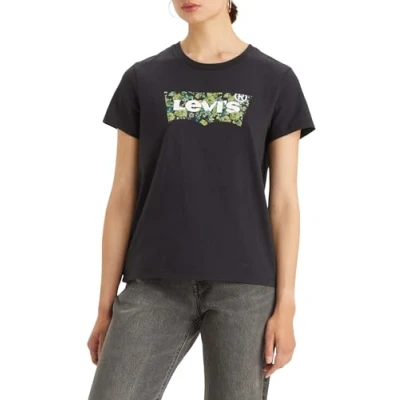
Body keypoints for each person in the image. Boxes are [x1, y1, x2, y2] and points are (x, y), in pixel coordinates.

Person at [87, 0, 316, 399]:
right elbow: (123, 195)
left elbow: (283, 203)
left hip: (245, 288)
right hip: (154, 280)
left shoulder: (275, 80)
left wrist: (286, 305)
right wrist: (105, 307)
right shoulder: (143, 78)